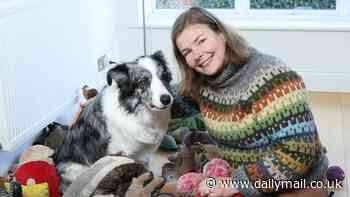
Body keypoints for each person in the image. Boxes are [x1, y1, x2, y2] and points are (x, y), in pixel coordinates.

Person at [171, 7, 328, 197]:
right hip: (237, 175)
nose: (197, 54)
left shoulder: (271, 78)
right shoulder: (202, 84)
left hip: (295, 180)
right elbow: (169, 100)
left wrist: (237, 183)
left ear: (221, 35)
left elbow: (299, 152)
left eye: (201, 41)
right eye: (187, 52)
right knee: (191, 189)